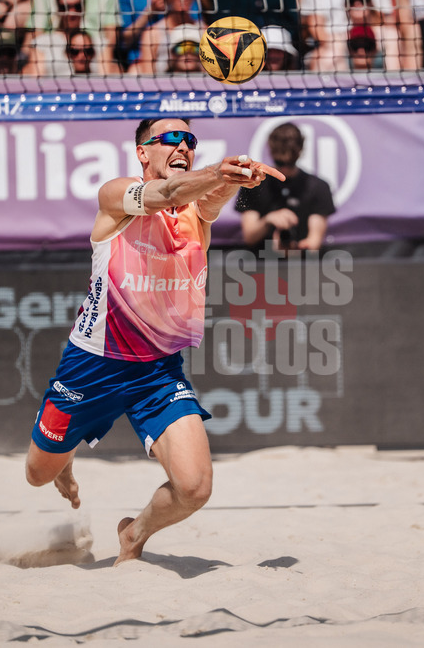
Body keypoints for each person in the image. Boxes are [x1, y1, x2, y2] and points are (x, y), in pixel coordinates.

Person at [24, 118, 284, 565]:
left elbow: (211, 200)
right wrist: (220, 174)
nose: (182, 145)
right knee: (37, 474)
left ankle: (133, 535)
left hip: (158, 369)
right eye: (169, 139)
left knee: (195, 488)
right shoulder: (116, 195)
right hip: (92, 364)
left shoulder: (194, 211)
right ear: (143, 152)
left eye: (190, 141)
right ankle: (64, 457)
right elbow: (166, 194)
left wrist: (236, 179)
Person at [236, 122, 336, 251]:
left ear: (299, 152)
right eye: (280, 162)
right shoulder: (253, 184)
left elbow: (313, 243)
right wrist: (268, 220)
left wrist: (294, 249)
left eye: (289, 163)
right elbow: (249, 236)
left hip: (303, 265)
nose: (284, 171)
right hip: (260, 262)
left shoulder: (318, 187)